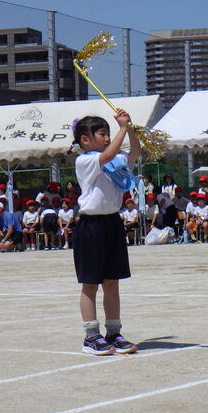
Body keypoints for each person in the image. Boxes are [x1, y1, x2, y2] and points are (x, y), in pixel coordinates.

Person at [70, 110, 140, 355]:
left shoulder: (116, 159)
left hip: (112, 223)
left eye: (108, 133)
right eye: (102, 134)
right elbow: (108, 154)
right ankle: (91, 336)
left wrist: (130, 128)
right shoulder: (85, 160)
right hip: (91, 226)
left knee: (112, 282)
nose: (108, 138)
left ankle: (113, 333)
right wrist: (122, 128)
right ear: (85, 140)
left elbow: (135, 152)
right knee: (90, 283)